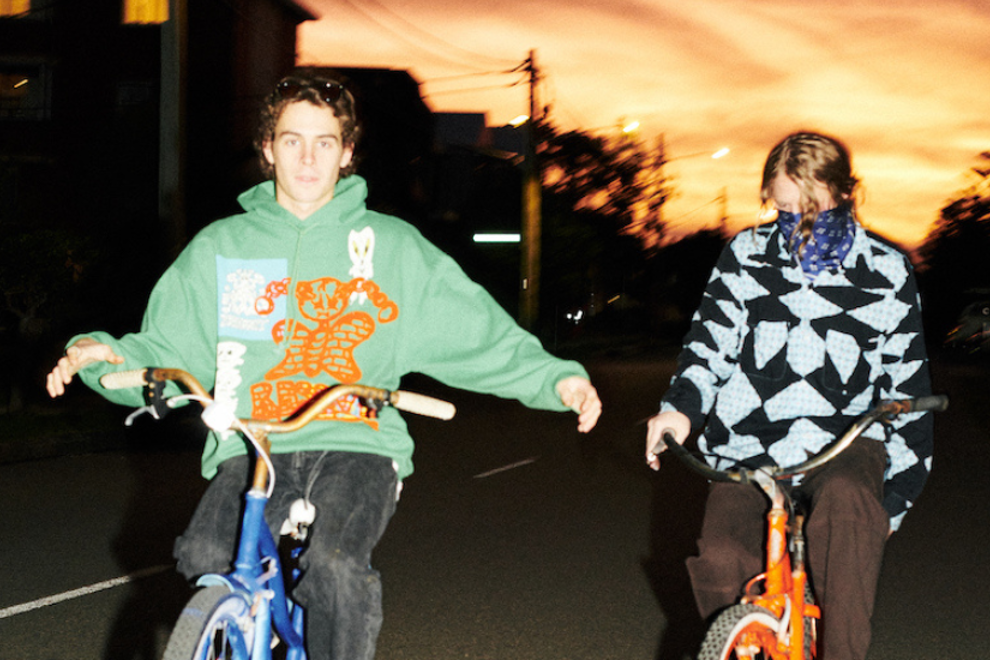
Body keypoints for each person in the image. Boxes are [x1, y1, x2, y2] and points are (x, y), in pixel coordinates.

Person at [46, 68, 602, 660]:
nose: (308, 159)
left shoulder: (392, 247)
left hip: (356, 440)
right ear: (268, 149)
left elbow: (475, 331)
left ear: (347, 153)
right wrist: (102, 355)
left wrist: (556, 378)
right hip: (252, 441)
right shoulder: (222, 247)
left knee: (334, 565)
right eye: (292, 140)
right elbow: (165, 348)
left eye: (324, 142)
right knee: (206, 554)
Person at [644, 131, 933, 660]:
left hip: (844, 443)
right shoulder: (746, 255)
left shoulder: (887, 270)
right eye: (783, 210)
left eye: (812, 211)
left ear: (845, 194)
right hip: (750, 448)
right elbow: (708, 346)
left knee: (847, 509)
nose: (797, 226)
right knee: (721, 560)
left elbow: (907, 386)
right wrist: (679, 411)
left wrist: (894, 504)